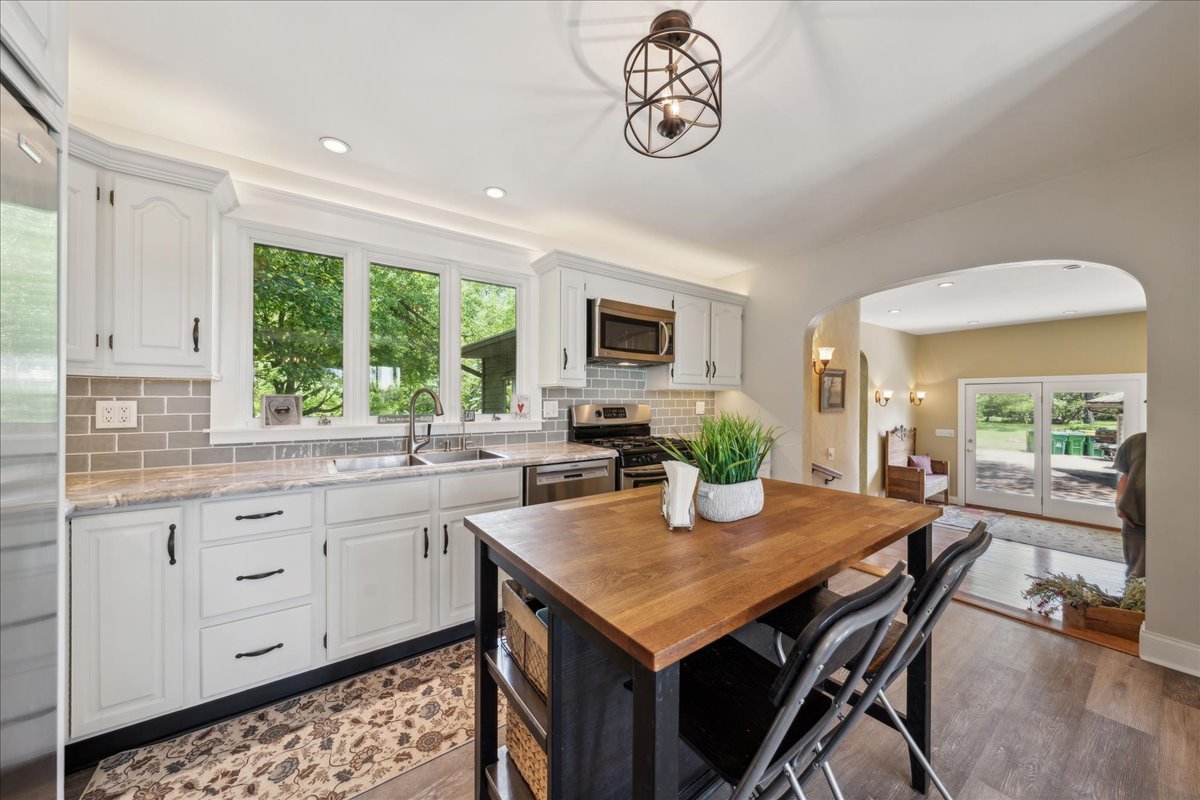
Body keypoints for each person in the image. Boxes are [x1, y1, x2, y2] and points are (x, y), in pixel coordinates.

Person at [1113, 431, 1146, 579]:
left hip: (1177, 525)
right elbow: (1126, 475)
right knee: (1136, 579)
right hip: (1135, 523)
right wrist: (1119, 501)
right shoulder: (1136, 442)